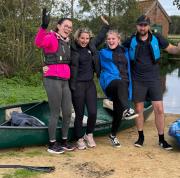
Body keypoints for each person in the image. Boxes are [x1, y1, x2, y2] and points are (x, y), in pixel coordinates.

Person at [123, 15, 180, 150]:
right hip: (138, 80)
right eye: (140, 25)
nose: (142, 27)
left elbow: (171, 49)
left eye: (145, 25)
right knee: (138, 110)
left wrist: (179, 49)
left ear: (148, 26)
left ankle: (161, 139)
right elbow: (117, 50)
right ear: (137, 26)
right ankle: (140, 137)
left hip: (154, 79)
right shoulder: (130, 40)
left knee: (159, 109)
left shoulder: (157, 38)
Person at [34, 9, 74, 154]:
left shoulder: (68, 42)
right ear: (58, 25)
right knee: (55, 112)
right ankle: (52, 144)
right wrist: (43, 27)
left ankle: (63, 141)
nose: (68, 28)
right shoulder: (51, 37)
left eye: (70, 27)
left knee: (68, 113)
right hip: (52, 80)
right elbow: (38, 43)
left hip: (65, 81)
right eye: (66, 25)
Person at [69, 16, 109, 150]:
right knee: (79, 114)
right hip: (77, 85)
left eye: (87, 38)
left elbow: (102, 36)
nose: (85, 41)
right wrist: (47, 65)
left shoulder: (92, 45)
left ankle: (89, 134)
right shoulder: (72, 47)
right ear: (77, 37)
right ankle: (79, 138)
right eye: (82, 38)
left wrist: (106, 25)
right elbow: (58, 54)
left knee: (93, 112)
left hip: (90, 84)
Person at [99, 30, 138, 148]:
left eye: (113, 39)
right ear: (106, 41)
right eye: (109, 39)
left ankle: (112, 135)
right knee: (120, 86)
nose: (111, 41)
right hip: (110, 82)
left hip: (124, 84)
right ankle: (127, 109)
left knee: (117, 112)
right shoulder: (102, 53)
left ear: (118, 40)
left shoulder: (125, 51)